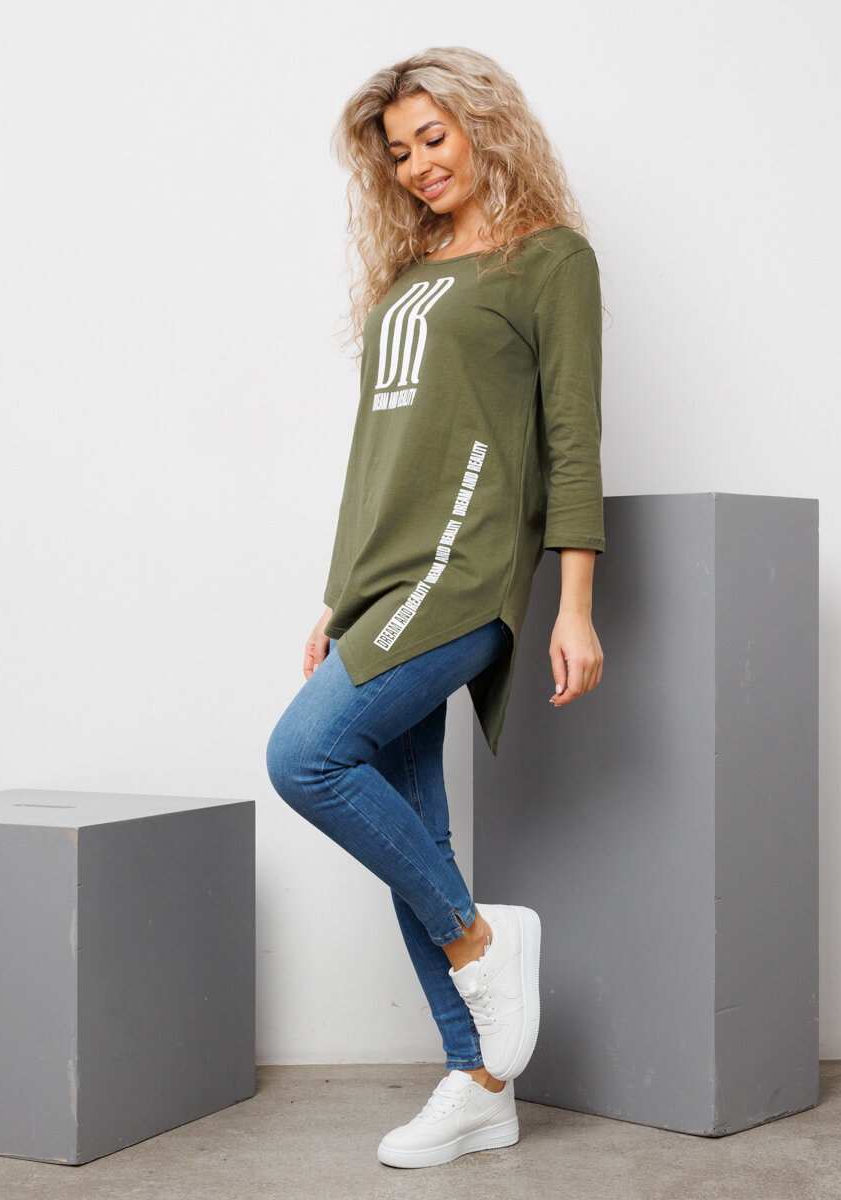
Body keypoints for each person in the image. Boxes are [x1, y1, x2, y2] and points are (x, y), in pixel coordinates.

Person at [265, 45, 605, 1169]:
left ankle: (479, 940)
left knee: (305, 756)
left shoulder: (549, 260)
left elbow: (571, 440)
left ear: (482, 128)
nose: (417, 165)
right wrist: (340, 592)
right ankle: (480, 1084)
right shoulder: (408, 276)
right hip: (385, 577)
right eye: (399, 152)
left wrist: (572, 604)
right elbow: (380, 450)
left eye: (433, 137)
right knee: (418, 828)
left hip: (464, 568)